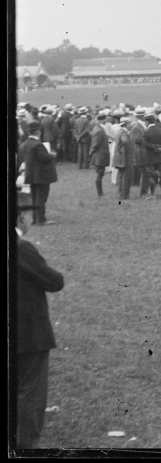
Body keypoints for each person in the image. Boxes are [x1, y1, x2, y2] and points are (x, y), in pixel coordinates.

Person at [15, 210, 65, 449]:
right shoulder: (21, 248)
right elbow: (55, 281)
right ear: (20, 217)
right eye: (27, 215)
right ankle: (24, 445)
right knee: (30, 392)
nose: (30, 220)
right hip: (28, 333)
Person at [18, 122, 57, 225]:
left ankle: (34, 219)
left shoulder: (23, 144)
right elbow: (44, 158)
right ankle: (41, 219)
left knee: (34, 197)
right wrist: (52, 155)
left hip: (30, 174)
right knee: (41, 198)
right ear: (37, 132)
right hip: (41, 175)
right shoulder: (37, 144)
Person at [142, 111, 161, 199]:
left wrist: (153, 147)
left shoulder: (146, 132)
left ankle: (153, 194)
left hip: (150, 157)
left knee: (151, 176)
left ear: (147, 122)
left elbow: (144, 143)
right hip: (160, 156)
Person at [89, 111, 111, 197]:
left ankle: (100, 193)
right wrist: (91, 152)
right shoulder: (99, 130)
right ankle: (100, 193)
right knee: (100, 174)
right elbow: (96, 144)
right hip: (100, 155)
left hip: (99, 154)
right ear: (103, 120)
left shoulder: (98, 128)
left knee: (100, 173)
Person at [113, 114, 134, 200]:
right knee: (126, 177)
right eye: (129, 123)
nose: (130, 125)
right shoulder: (124, 133)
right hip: (124, 157)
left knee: (121, 176)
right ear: (125, 124)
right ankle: (125, 195)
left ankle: (121, 193)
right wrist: (129, 150)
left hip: (119, 157)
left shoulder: (119, 131)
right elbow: (125, 141)